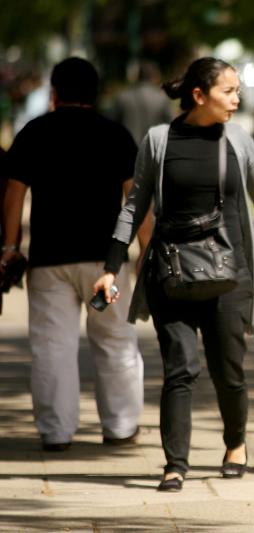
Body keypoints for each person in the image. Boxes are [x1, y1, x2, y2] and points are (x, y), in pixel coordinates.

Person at [93, 57, 254, 492]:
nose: (236, 99)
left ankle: (236, 443)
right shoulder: (158, 141)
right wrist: (110, 269)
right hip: (172, 272)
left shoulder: (239, 141)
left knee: (228, 370)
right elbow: (135, 207)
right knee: (179, 369)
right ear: (199, 95)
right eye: (229, 91)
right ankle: (175, 464)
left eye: (237, 91)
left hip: (231, 274)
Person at [1, 57, 145, 451]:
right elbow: (136, 201)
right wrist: (146, 251)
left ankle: (56, 431)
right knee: (116, 340)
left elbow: (14, 195)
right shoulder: (116, 135)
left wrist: (11, 247)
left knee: (52, 346)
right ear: (95, 93)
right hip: (107, 264)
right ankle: (120, 426)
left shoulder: (34, 133)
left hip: (49, 259)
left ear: (54, 93)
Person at [109, 60, 174, 144]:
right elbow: (170, 123)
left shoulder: (123, 96)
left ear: (138, 76)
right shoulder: (161, 98)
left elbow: (113, 122)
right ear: (154, 76)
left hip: (128, 146)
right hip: (153, 146)